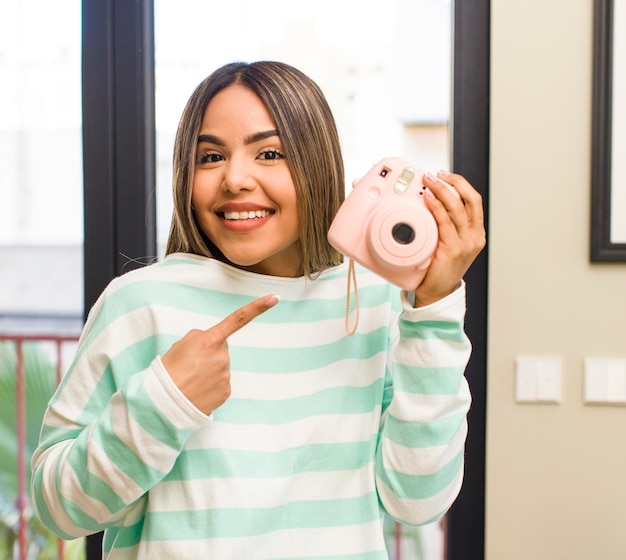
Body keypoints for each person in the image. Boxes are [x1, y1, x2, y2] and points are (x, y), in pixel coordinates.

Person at [32, 61, 485, 559]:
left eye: (269, 153)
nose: (234, 179)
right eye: (210, 157)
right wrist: (162, 403)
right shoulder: (139, 304)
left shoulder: (373, 304)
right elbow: (59, 510)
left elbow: (417, 501)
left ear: (316, 165)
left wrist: (436, 309)